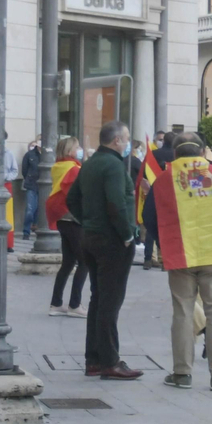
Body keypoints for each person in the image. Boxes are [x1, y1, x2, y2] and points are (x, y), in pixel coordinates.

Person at [154, 133, 212, 391]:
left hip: (179, 253)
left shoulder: (163, 179)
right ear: (203, 151)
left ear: (175, 154)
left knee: (182, 312)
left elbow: (150, 216)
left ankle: (181, 373)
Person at [67, 121, 141, 380]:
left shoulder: (90, 163)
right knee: (110, 302)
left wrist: (87, 221)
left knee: (98, 299)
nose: (128, 143)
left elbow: (71, 199)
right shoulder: (113, 165)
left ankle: (94, 359)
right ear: (117, 141)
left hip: (90, 237)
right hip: (112, 242)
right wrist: (126, 234)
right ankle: (110, 361)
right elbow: (116, 203)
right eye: (127, 138)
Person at [46, 137, 87, 317]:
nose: (80, 150)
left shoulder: (57, 167)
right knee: (85, 262)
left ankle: (56, 303)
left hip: (61, 218)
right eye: (78, 147)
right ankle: (74, 305)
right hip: (73, 219)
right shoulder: (74, 169)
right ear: (71, 151)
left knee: (68, 262)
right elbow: (79, 194)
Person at [139, 133, 175, 271]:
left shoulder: (153, 154)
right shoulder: (176, 156)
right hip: (171, 194)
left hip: (154, 192)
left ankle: (148, 258)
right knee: (167, 227)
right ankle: (165, 260)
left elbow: (143, 174)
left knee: (151, 226)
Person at [21, 137, 43, 239]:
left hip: (43, 186)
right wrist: (28, 179)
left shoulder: (48, 155)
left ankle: (37, 227)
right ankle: (26, 231)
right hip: (32, 185)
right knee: (30, 209)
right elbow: (24, 170)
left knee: (40, 209)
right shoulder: (29, 154)